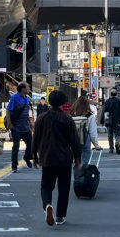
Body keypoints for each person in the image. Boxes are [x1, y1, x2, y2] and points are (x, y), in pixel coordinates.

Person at [30, 90, 81, 226]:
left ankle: (47, 205)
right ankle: (60, 216)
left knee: (46, 186)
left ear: (49, 101)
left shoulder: (42, 118)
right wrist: (77, 158)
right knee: (64, 188)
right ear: (63, 102)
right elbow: (74, 141)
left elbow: (35, 138)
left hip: (47, 158)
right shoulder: (67, 119)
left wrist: (34, 155)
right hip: (64, 159)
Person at [69, 96, 102, 178]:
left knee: (76, 161)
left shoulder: (71, 116)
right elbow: (92, 132)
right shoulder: (89, 116)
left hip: (73, 142)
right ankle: (82, 178)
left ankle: (77, 178)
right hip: (85, 141)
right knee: (84, 161)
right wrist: (96, 145)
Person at [7, 82, 34, 173]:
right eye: (27, 87)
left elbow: (26, 112)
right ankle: (14, 166)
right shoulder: (14, 97)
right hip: (16, 126)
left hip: (26, 126)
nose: (28, 89)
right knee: (16, 146)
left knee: (31, 143)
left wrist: (30, 122)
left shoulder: (26, 98)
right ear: (22, 89)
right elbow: (8, 110)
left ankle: (27, 157)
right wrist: (9, 123)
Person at [101, 89, 120, 154]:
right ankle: (117, 143)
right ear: (116, 94)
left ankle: (111, 148)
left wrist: (102, 121)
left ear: (110, 94)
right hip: (118, 121)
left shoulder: (107, 101)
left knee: (110, 135)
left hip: (109, 121)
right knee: (118, 134)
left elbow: (103, 111)